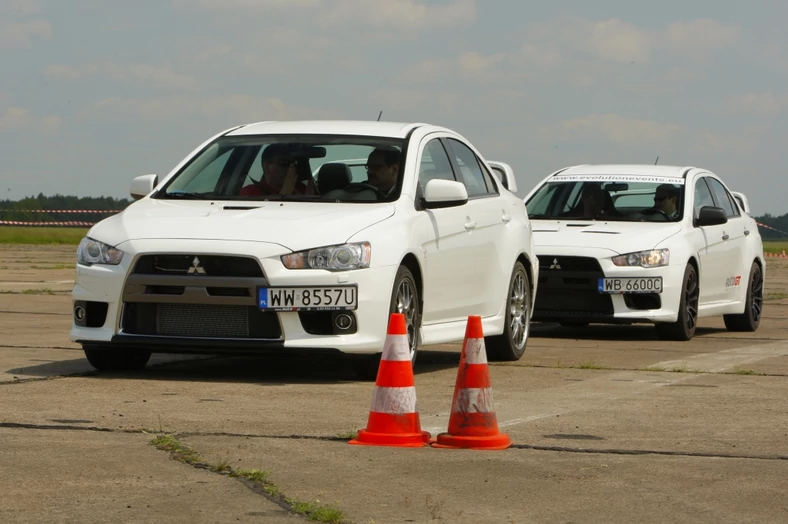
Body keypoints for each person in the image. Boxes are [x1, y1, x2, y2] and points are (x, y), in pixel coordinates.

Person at [240, 144, 316, 196]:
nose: (291, 168)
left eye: (293, 163)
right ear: (267, 167)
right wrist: (284, 195)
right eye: (284, 163)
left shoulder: (302, 189)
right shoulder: (251, 193)